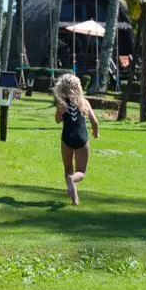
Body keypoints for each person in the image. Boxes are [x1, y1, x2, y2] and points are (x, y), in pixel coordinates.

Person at [52, 73, 100, 206]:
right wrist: (96, 133)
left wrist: (61, 114)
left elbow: (57, 120)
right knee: (81, 172)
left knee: (68, 167)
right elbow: (94, 122)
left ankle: (74, 197)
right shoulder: (84, 102)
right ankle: (73, 183)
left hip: (66, 138)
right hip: (82, 139)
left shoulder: (62, 104)